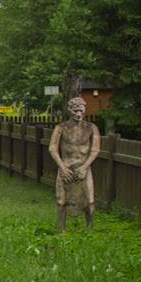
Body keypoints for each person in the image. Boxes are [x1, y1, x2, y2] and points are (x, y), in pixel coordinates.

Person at [49, 96, 101, 232]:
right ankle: (62, 230)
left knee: (89, 200)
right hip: (66, 167)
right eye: (75, 110)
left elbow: (95, 149)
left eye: (81, 110)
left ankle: (90, 229)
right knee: (61, 200)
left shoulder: (91, 128)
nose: (78, 114)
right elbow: (52, 148)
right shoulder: (61, 128)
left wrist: (85, 167)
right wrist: (62, 167)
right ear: (70, 110)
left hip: (84, 168)